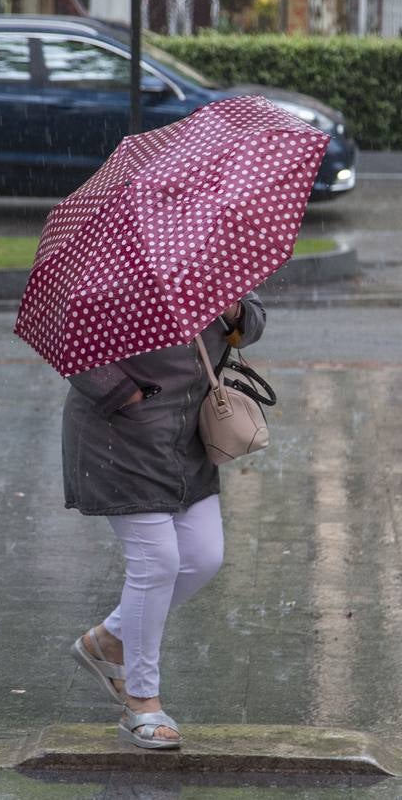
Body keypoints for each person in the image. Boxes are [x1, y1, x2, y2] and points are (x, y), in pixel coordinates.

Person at [62, 293, 266, 749]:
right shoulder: (110, 264)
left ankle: (109, 639)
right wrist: (125, 393)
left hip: (186, 437)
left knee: (204, 556)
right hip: (120, 437)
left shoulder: (205, 247)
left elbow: (251, 324)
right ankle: (141, 701)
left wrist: (235, 311)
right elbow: (71, 344)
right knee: (156, 563)